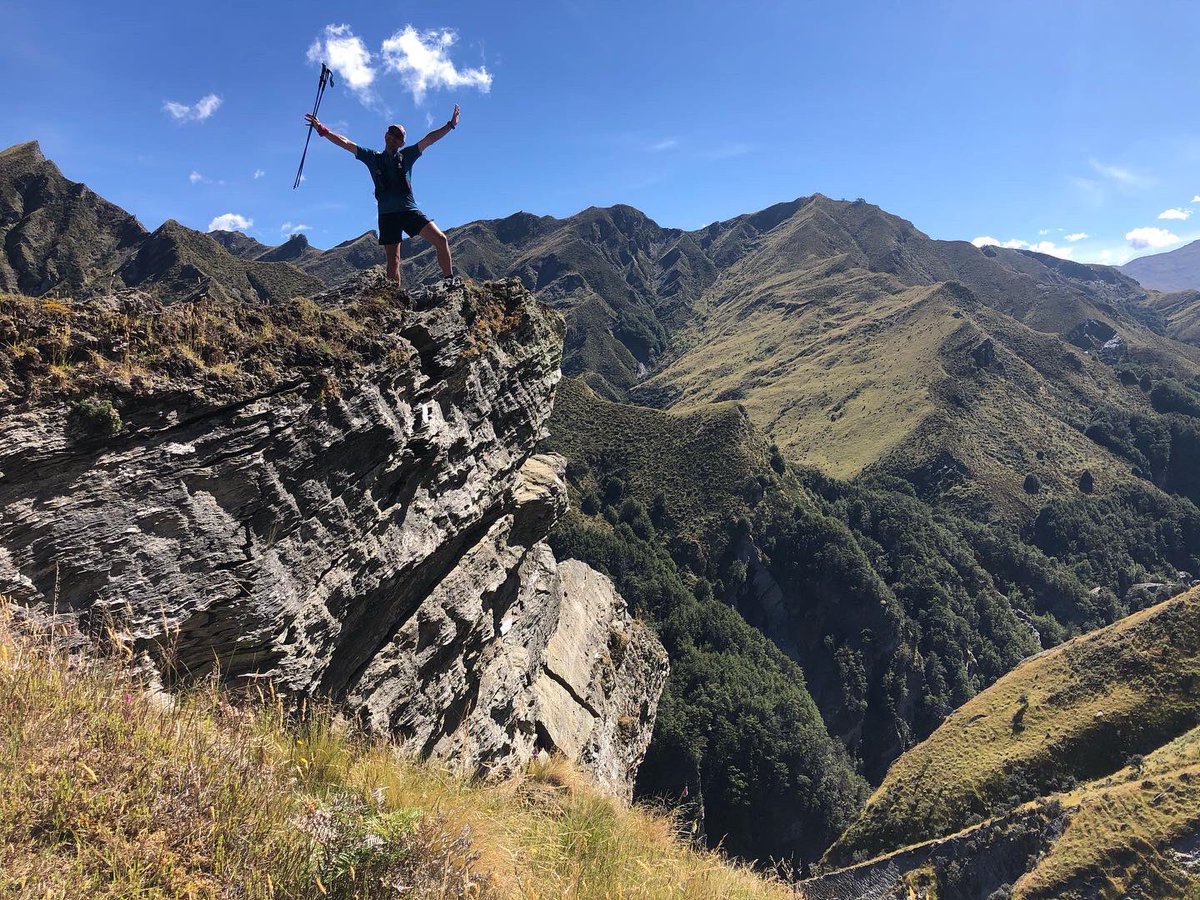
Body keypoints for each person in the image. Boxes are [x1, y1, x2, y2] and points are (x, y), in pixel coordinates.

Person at [304, 105, 460, 287]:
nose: (393, 137)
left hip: (409, 210)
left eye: (398, 136)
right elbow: (346, 143)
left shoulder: (407, 156)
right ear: (385, 135)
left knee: (441, 240)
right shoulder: (373, 157)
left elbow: (429, 139)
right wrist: (323, 130)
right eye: (391, 133)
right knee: (393, 261)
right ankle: (396, 299)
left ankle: (449, 283)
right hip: (387, 215)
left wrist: (450, 125)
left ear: (402, 142)